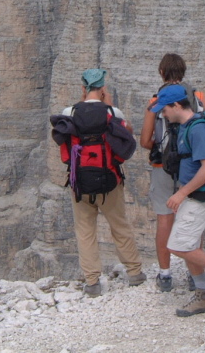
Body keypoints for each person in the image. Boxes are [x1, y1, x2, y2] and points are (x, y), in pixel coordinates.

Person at [151, 84, 205, 317]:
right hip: (191, 196)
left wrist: (181, 193)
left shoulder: (197, 129)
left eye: (165, 109)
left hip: (201, 197)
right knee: (189, 245)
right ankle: (203, 295)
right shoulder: (185, 127)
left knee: (178, 245)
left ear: (177, 105)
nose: (163, 114)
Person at [61, 68, 147, 297]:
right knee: (119, 226)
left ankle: (92, 283)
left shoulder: (69, 112)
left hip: (79, 183)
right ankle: (135, 272)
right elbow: (128, 131)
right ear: (103, 90)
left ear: (83, 88)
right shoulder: (113, 112)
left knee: (85, 231)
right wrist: (107, 104)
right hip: (110, 180)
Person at [139, 53, 205, 292]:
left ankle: (165, 274)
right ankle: (194, 274)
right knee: (191, 219)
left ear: (161, 73)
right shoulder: (197, 97)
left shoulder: (155, 101)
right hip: (191, 167)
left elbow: (145, 140)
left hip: (163, 168)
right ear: (184, 72)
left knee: (164, 218)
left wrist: (164, 149)